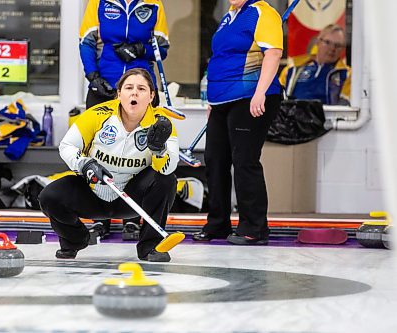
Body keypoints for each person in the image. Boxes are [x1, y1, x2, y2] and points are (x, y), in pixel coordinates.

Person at [38, 68, 179, 262]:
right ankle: (75, 240)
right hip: (93, 193)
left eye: (142, 88)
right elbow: (67, 145)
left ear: (152, 95)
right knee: (49, 196)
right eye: (129, 87)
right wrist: (85, 164)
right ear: (119, 93)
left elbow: (168, 168)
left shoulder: (162, 124)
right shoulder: (97, 114)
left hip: (131, 199)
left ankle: (151, 247)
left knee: (167, 181)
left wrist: (159, 150)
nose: (135, 93)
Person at [192, 0, 283, 245]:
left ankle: (254, 228)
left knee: (244, 160)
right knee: (214, 159)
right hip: (222, 99)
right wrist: (211, 101)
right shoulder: (229, 16)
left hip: (250, 95)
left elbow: (273, 53)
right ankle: (218, 224)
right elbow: (219, 58)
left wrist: (260, 92)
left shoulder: (263, 13)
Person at [79, 0, 170, 240]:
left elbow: (162, 46)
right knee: (97, 149)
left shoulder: (154, 4)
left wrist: (141, 50)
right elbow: (86, 41)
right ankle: (100, 218)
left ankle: (132, 218)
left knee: (139, 150)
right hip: (105, 84)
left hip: (140, 88)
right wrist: (93, 76)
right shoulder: (98, 3)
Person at [279, 24, 351, 105]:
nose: (332, 48)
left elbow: (344, 107)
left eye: (338, 45)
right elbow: (276, 99)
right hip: (292, 116)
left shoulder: (347, 74)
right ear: (318, 41)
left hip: (327, 116)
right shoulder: (292, 70)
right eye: (327, 42)